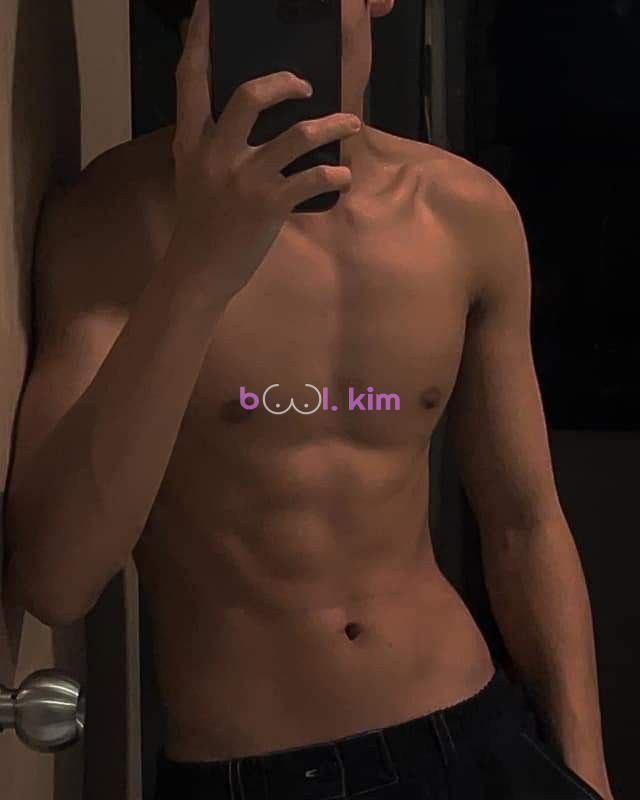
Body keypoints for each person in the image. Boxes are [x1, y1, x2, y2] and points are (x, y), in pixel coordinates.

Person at [3, 0, 614, 798]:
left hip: (474, 731)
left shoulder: (464, 212)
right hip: (257, 771)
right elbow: (56, 579)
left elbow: (525, 524)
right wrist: (200, 263)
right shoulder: (111, 219)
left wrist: (584, 770)